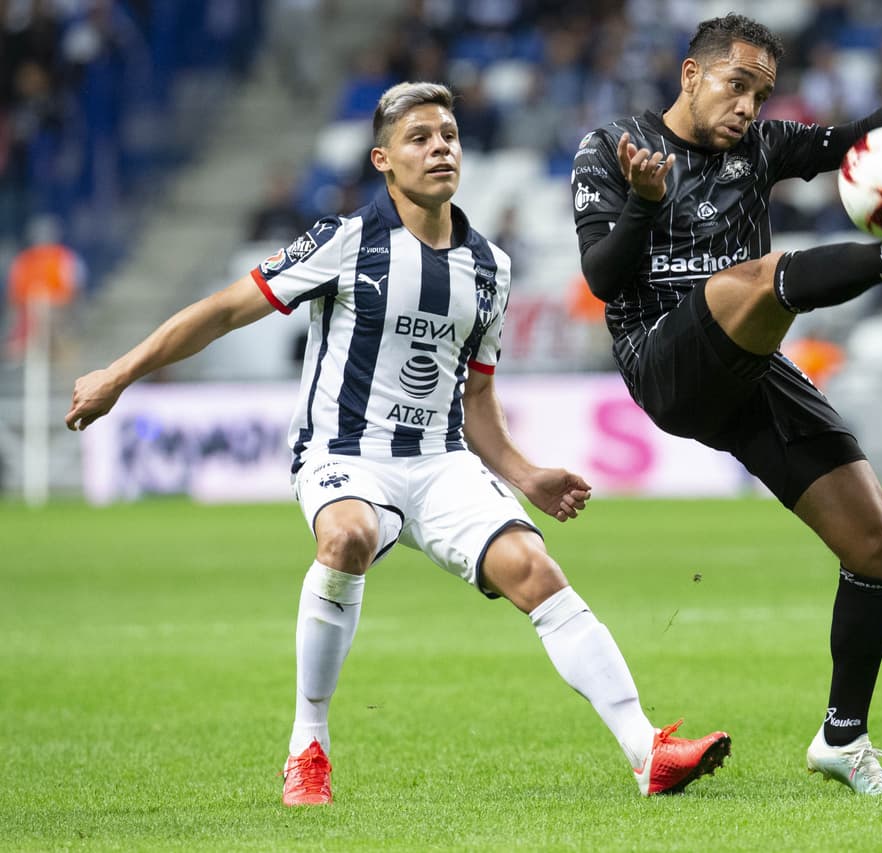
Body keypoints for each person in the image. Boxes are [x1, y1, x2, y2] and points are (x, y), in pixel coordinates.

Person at [65, 82, 730, 805]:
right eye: (420, 137)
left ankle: (647, 752)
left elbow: (476, 398)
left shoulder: (490, 268)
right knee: (346, 536)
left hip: (441, 464)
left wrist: (525, 473)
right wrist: (119, 373)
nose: (440, 146)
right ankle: (308, 745)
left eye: (448, 133)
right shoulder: (346, 241)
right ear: (383, 159)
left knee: (534, 569)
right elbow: (225, 311)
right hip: (344, 455)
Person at [573, 14, 882, 796]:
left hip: (748, 364)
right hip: (663, 361)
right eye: (736, 85)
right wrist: (642, 201)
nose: (747, 106)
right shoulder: (615, 148)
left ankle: (843, 736)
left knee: (874, 543)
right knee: (759, 276)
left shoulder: (760, 149)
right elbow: (602, 280)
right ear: (690, 75)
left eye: (761, 93)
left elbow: (864, 137)